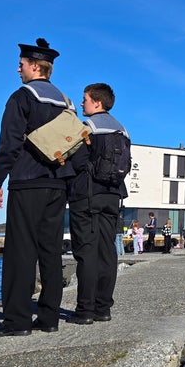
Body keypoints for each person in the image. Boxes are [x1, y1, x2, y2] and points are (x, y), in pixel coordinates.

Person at [0, 38, 77, 337]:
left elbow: (9, 142)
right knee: (50, 251)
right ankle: (49, 318)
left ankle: (17, 321)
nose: (18, 69)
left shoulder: (22, 97)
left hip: (27, 181)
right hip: (58, 183)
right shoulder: (66, 102)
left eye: (21, 64)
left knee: (20, 252)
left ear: (35, 66)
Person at [65, 83, 130, 325]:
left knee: (86, 252)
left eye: (85, 99)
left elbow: (78, 161)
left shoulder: (88, 127)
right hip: (113, 196)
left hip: (87, 194)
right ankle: (103, 308)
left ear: (97, 103)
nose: (82, 103)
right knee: (107, 251)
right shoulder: (122, 130)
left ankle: (85, 311)